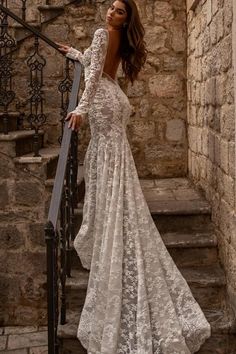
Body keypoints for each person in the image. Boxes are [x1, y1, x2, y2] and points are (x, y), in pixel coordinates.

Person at [57, 1, 211, 353]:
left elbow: (95, 76)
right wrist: (78, 54)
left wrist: (79, 109)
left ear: (127, 19)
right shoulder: (113, 37)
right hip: (113, 100)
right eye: (111, 8)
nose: (111, 13)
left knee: (105, 159)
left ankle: (111, 216)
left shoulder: (102, 33)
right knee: (110, 160)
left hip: (101, 102)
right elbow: (99, 67)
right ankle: (114, 213)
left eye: (120, 12)